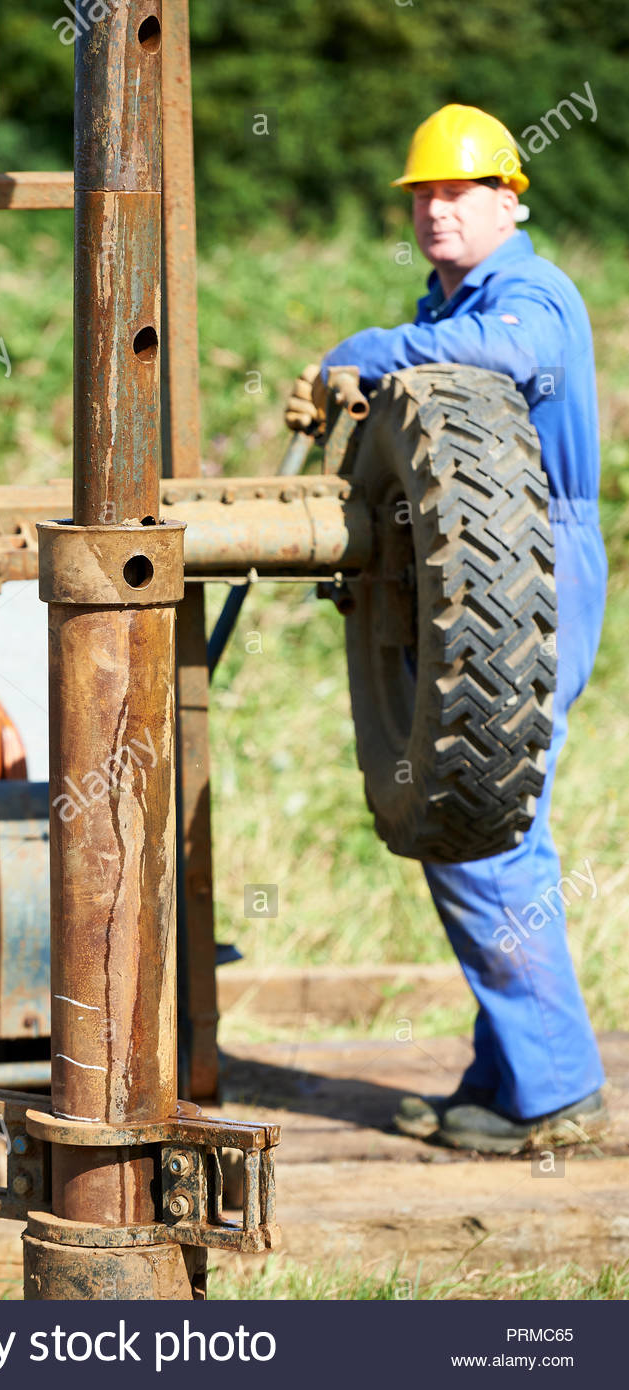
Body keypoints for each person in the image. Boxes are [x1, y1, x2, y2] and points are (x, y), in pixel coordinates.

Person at [285, 104, 608, 1154]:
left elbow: (488, 361)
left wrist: (371, 350)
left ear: (509, 200)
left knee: (475, 825)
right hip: (472, 571)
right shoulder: (451, 294)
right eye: (422, 194)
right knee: (494, 817)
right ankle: (504, 1084)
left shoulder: (527, 294)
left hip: (536, 564)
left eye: (459, 192)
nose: (436, 209)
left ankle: (556, 1090)